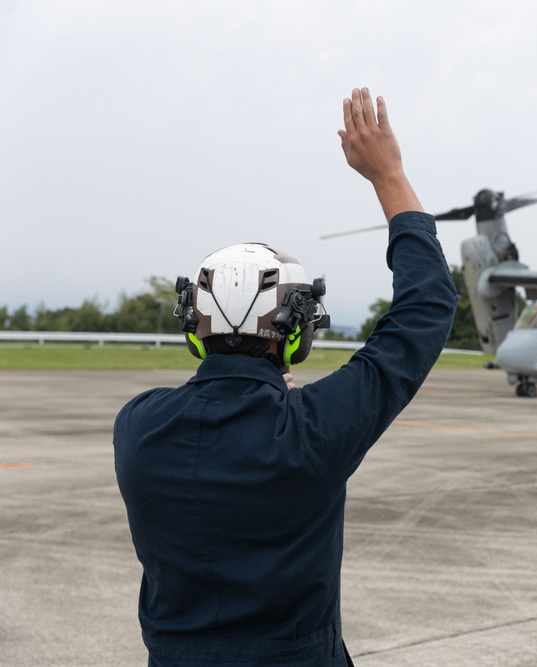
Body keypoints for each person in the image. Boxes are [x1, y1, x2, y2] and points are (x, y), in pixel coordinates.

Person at [114, 88, 458, 666]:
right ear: (296, 337)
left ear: (194, 330)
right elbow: (425, 309)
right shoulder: (308, 434)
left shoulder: (138, 426)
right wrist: (388, 177)